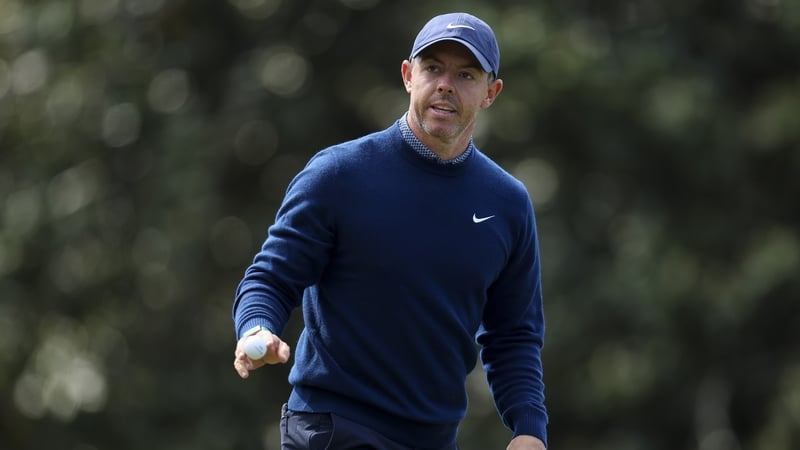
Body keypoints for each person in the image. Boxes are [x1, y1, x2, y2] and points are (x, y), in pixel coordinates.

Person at [232, 11, 548, 450]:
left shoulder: (507, 204)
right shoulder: (338, 174)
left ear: (491, 92)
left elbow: (513, 334)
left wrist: (529, 429)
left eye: (466, 74)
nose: (445, 85)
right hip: (335, 427)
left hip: (433, 439)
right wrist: (256, 328)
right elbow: (271, 277)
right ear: (407, 76)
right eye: (433, 68)